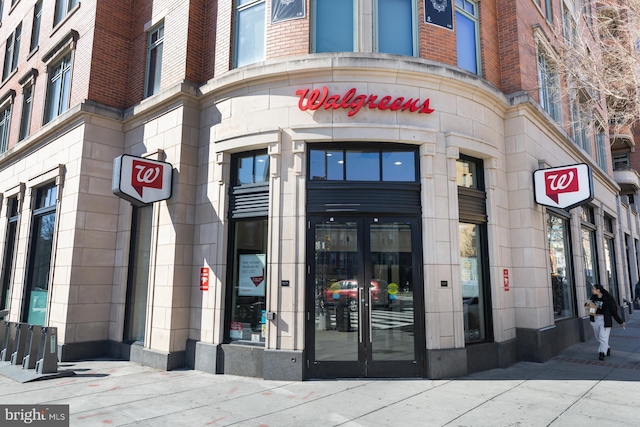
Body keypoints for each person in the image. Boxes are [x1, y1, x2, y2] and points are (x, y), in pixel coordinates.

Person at [588, 284, 625, 360]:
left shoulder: (608, 299)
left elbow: (613, 312)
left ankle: (602, 353)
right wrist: (588, 307)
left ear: (598, 290)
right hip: (595, 319)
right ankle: (607, 347)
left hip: (604, 320)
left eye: (593, 289)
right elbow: (591, 310)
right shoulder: (593, 298)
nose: (592, 290)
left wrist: (620, 322)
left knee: (602, 336)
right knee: (598, 337)